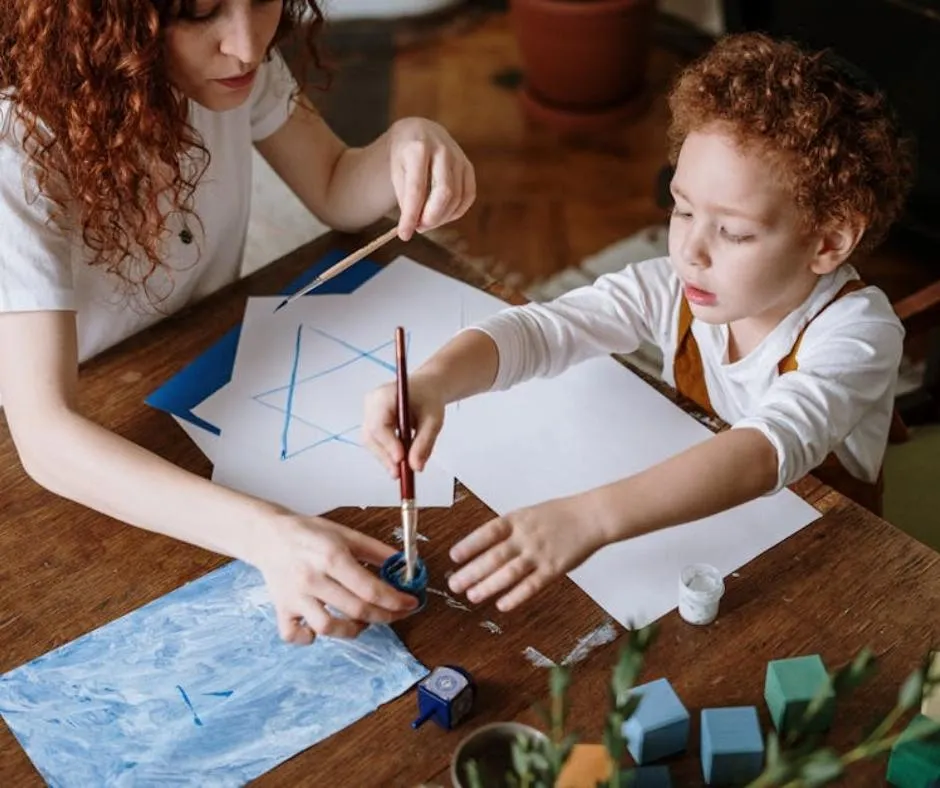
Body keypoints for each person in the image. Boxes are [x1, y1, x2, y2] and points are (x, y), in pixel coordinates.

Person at [363, 32, 914, 614]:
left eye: (733, 231)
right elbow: (546, 329)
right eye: (682, 209)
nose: (691, 251)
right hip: (705, 531)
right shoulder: (675, 287)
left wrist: (590, 517)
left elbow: (765, 449)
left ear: (827, 241)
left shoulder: (858, 330)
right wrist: (433, 383)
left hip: (827, 555)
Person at [0, 0, 476, 643]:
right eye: (200, 13)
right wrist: (268, 534)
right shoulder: (18, 145)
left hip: (203, 362)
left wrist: (409, 142)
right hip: (86, 434)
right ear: (103, 20)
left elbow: (335, 185)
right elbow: (46, 436)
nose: (249, 45)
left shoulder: (228, 67)